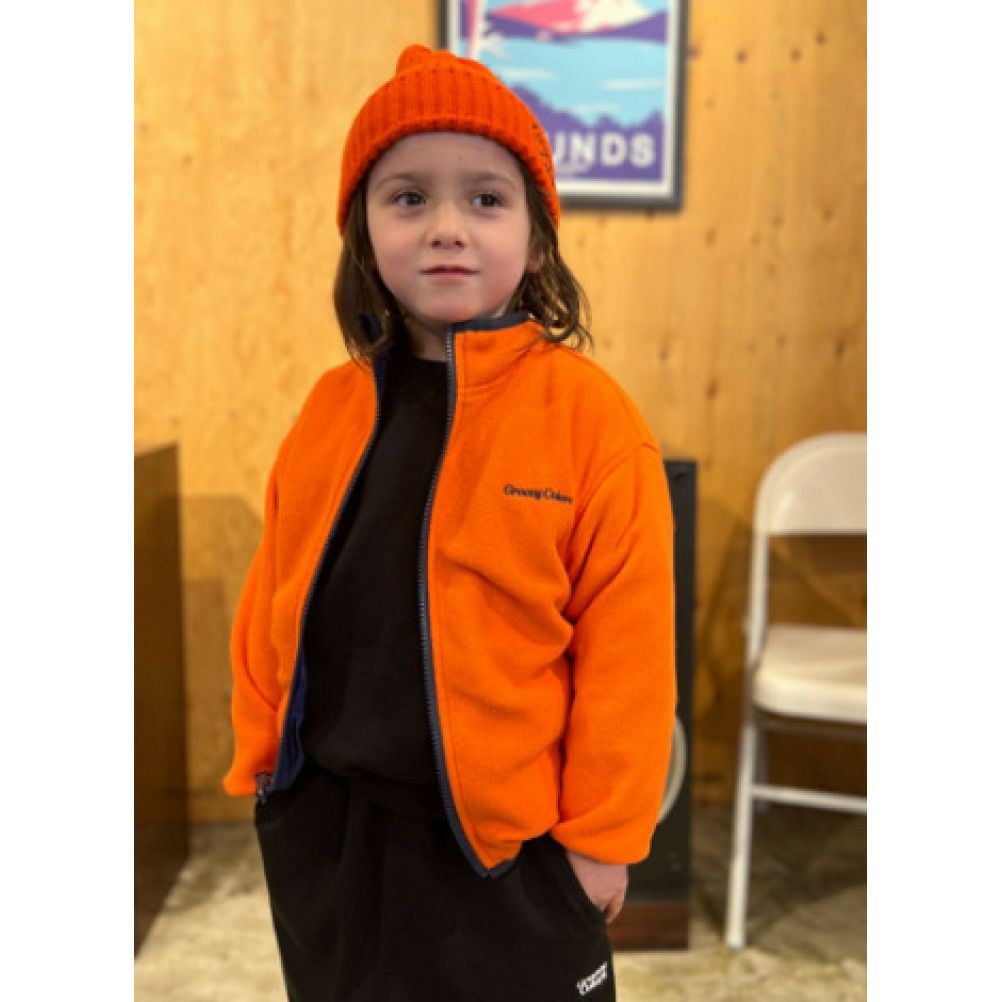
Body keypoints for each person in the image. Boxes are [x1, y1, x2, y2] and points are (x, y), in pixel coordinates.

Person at [224, 43, 676, 1002]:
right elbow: (273, 600)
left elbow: (630, 654)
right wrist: (268, 767)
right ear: (364, 235)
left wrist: (604, 838)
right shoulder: (329, 409)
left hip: (511, 858)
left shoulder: (590, 420)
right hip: (333, 837)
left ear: (538, 238)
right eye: (407, 197)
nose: (446, 229)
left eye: (485, 198)